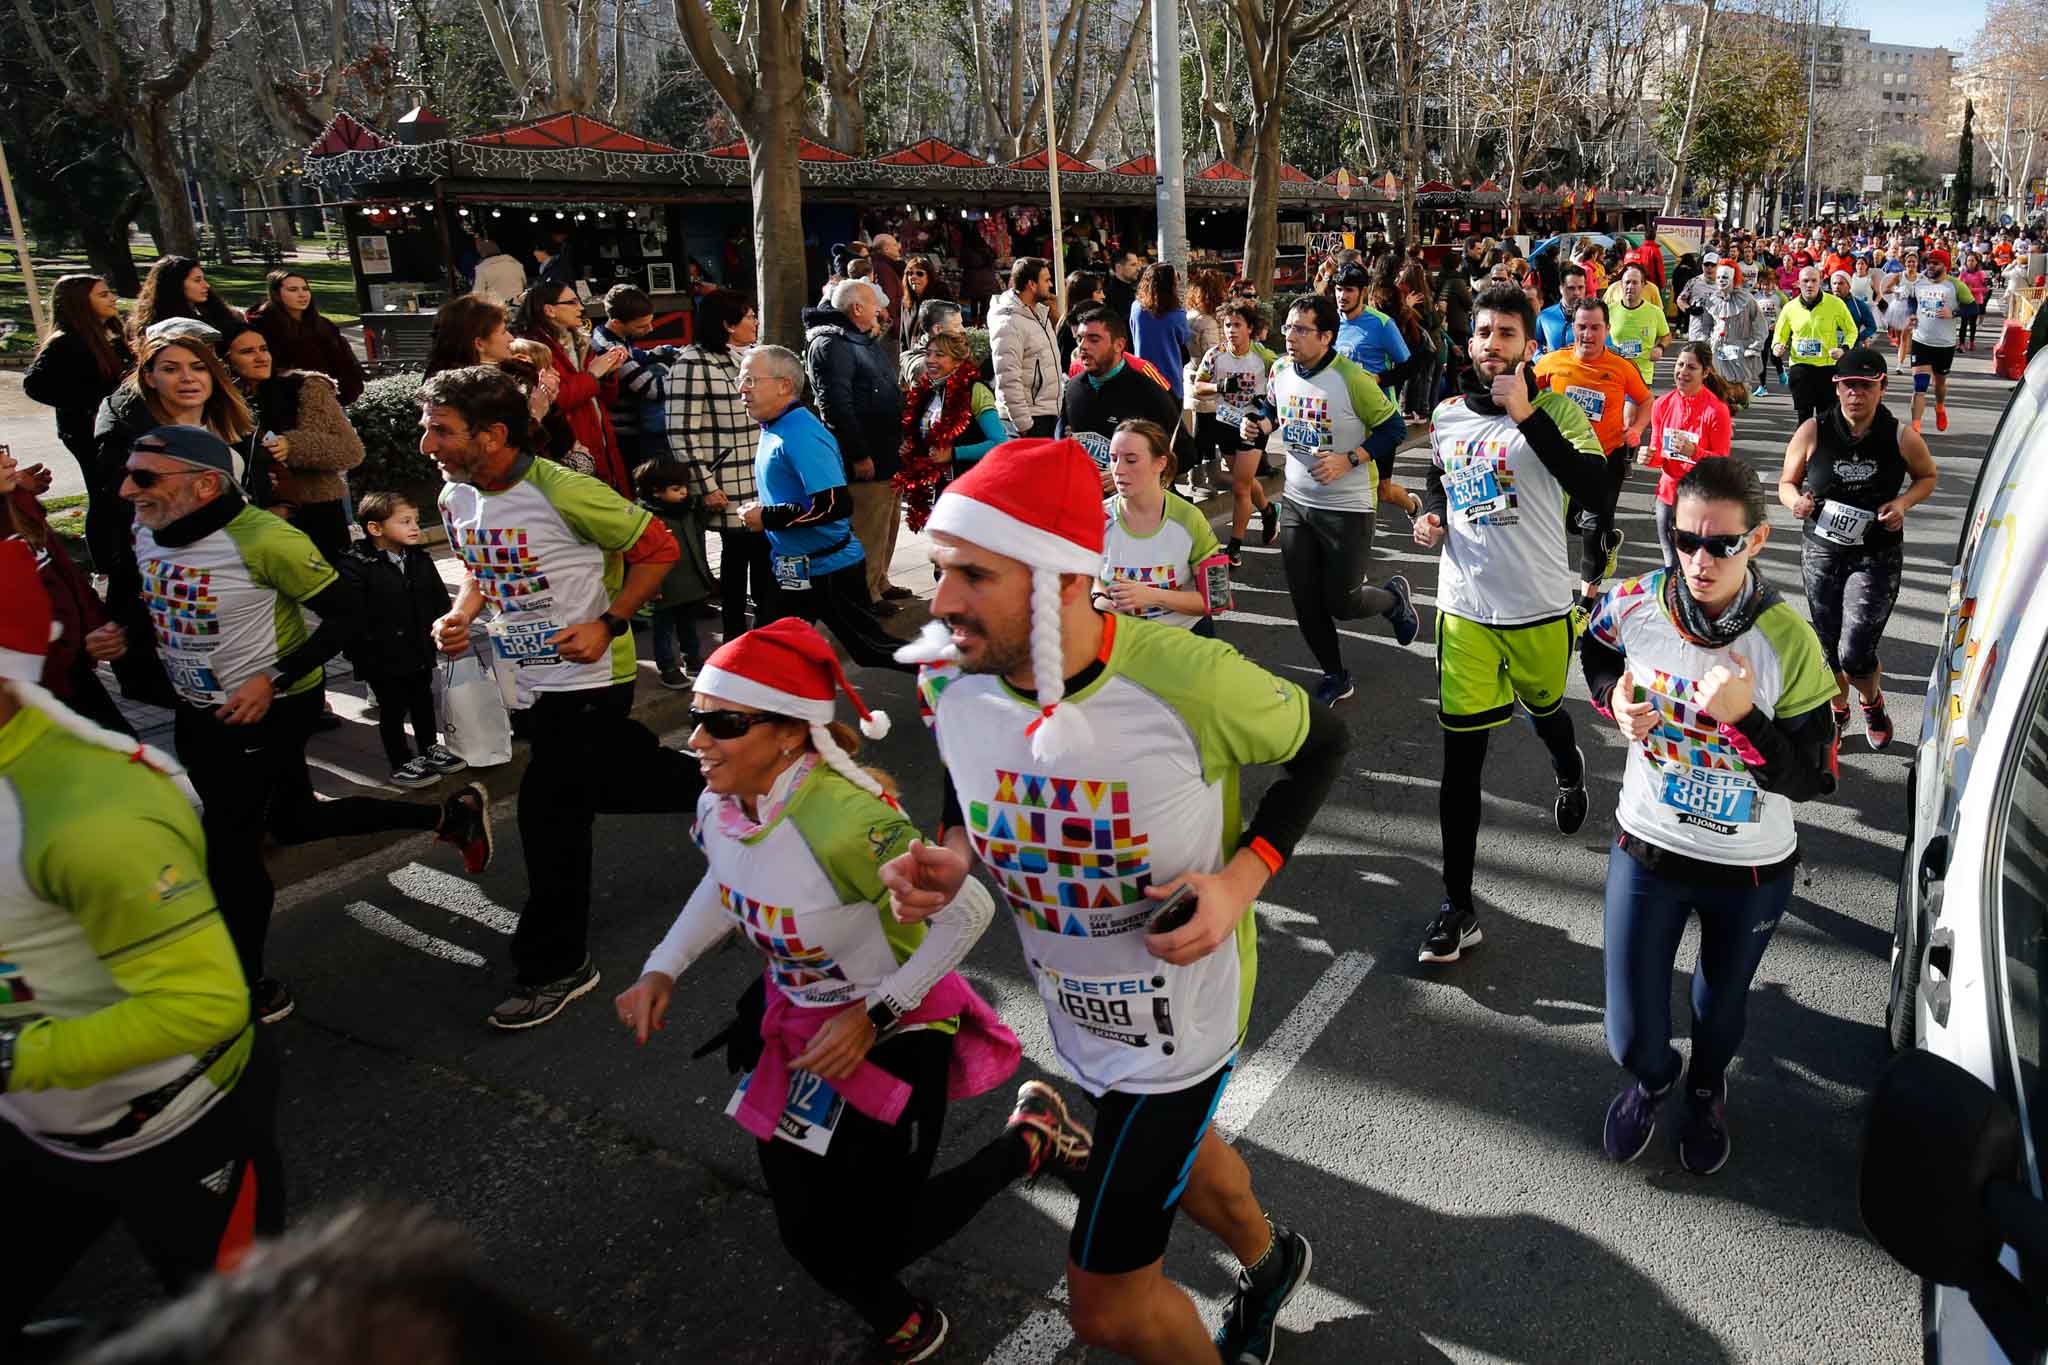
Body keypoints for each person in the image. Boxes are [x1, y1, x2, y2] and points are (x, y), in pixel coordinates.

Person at [884, 437, 1348, 1365]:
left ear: (1061, 582)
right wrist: (955, 852)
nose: (938, 603)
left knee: (1106, 1307)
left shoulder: (1186, 677)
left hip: (1186, 1020)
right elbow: (973, 774)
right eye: (940, 572)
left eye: (973, 575)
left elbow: (1322, 743)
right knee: (1183, 1161)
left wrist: (1240, 878)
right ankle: (1271, 1258)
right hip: (1077, 1009)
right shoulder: (950, 674)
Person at [615, 618, 1078, 1362]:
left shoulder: (846, 821)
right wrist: (663, 964)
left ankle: (1030, 1142)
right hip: (795, 1021)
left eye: (723, 722)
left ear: (792, 734)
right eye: (695, 718)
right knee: (804, 1222)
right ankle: (896, 1310)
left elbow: (970, 910)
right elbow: (726, 877)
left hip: (895, 1023)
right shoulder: (722, 801)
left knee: (881, 1231)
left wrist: (874, 1014)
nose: (696, 740)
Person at [0, 542, 285, 1347]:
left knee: (243, 1338)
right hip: (39, 1125)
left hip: (178, 1125)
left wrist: (13, 1055)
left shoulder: (90, 811)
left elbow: (201, 1003)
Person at [123, 425, 488, 1022]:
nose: (125, 490)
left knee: (233, 844)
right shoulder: (146, 525)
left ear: (206, 484)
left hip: (267, 708)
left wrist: (272, 677)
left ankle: (245, 986)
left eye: (143, 478)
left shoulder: (264, 539)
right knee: (294, 820)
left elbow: (346, 617)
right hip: (198, 709)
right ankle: (451, 815)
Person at [1582, 458, 1841, 1175]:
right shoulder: (1635, 599)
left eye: (1721, 544)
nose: (1699, 559)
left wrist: (1747, 719)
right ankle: (1656, 1077)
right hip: (1648, 846)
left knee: (1720, 1010)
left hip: (1748, 868)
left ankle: (1704, 1087)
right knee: (1629, 1035)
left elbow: (1814, 777)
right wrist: (1615, 699)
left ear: (1755, 542)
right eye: (1683, 538)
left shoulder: (1788, 639)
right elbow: (1597, 647)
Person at [421, 365, 699, 1031]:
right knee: (620, 776)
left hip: (590, 678)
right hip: (527, 678)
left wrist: (609, 622)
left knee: (552, 814)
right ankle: (746, 787)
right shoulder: (456, 496)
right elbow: (482, 569)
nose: (427, 444)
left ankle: (556, 965)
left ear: (492, 435)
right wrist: (461, 612)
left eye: (441, 430)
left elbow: (657, 547)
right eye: (426, 428)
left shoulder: (564, 490)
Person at [1414, 283, 1608, 965]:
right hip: (1464, 609)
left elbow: (1597, 492)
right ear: (1468, 343)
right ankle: (1457, 906)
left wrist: (1528, 418)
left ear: (1531, 346)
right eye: (1483, 332)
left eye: (1506, 334)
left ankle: (1567, 761)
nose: (1492, 345)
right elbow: (1441, 475)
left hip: (1539, 607)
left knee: (1546, 708)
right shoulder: (1444, 414)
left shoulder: (1558, 409)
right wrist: (1432, 512)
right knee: (1460, 766)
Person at [1239, 292, 1419, 708]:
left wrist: (1350, 459)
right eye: (1287, 327)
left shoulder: (1351, 379)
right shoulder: (1282, 369)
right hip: (1298, 501)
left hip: (1347, 506)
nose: (1290, 336)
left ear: (1326, 337)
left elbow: (1393, 429)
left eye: (1301, 329)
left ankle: (1393, 599)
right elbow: (1274, 408)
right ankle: (1335, 674)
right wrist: (1259, 425)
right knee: (1304, 598)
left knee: (1343, 601)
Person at [1775, 347, 1938, 751]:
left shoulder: (1900, 435)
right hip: (1823, 549)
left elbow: (1927, 476)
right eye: (1848, 385)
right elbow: (1785, 483)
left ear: (1881, 387)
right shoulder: (1813, 431)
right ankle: (1838, 709)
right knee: (1829, 647)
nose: (1856, 394)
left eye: (1865, 386)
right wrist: (1794, 502)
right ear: (1837, 387)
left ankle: (1871, 701)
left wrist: (1901, 504)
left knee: (1855, 650)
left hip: (1876, 552)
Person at [736, 346, 912, 671]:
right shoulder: (774, 427)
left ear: (784, 385)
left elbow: (833, 504)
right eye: (740, 379)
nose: (741, 388)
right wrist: (767, 508)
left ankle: (953, 676)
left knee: (871, 649)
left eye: (750, 380)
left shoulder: (802, 434)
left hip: (830, 572)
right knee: (767, 652)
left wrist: (767, 517)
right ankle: (780, 718)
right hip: (791, 570)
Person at [336, 491, 464, 788]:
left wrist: (445, 627)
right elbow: (351, 616)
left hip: (418, 645)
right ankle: (401, 760)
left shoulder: (418, 558)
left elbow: (437, 599)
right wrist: (362, 652)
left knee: (422, 698)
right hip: (380, 654)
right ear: (375, 528)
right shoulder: (356, 565)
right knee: (393, 707)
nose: (415, 528)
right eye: (405, 521)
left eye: (416, 521)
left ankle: (430, 746)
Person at [667, 289, 773, 644]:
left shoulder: (752, 356)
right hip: (725, 484)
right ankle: (735, 638)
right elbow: (681, 432)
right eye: (748, 316)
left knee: (764, 562)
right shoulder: (692, 362)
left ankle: (766, 634)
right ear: (728, 325)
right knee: (737, 562)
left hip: (760, 478)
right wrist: (705, 484)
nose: (755, 321)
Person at [1, 445, 130, 736]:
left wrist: (95, 627)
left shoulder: (16, 504)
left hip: (70, 676)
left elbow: (64, 575)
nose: (10, 460)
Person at [1533, 296, 1651, 610]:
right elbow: (1526, 393)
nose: (1587, 334)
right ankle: (1610, 540)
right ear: (1572, 328)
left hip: (1606, 458)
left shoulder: (1621, 367)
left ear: (1607, 329)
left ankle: (1587, 601)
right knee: (1571, 523)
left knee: (1592, 530)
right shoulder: (1553, 362)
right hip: (1564, 458)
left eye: (1595, 328)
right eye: (1581, 327)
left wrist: (1636, 429)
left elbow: (1646, 401)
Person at [220, 325, 366, 563]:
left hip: (316, 512)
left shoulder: (305, 388)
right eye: (247, 351)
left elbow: (351, 450)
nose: (260, 357)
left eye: (263, 349)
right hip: (254, 515)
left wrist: (293, 445)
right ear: (225, 360)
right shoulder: (218, 402)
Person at [803, 280, 907, 613]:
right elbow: (837, 405)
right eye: (874, 305)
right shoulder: (832, 344)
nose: (881, 311)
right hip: (867, 454)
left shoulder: (858, 338)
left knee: (887, 521)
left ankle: (879, 580)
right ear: (856, 308)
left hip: (886, 450)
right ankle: (865, 592)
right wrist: (859, 453)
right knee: (868, 523)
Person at [24, 274, 134, 579]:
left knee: (123, 493)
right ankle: (106, 567)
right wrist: (90, 402)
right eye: (102, 295)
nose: (111, 298)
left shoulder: (110, 334)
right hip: (86, 431)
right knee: (103, 496)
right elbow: (35, 385)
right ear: (79, 304)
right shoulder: (66, 342)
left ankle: (125, 554)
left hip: (117, 426)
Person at [1094, 419, 1226, 636]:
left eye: (1131, 460)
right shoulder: (1097, 516)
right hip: (1120, 644)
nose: (1118, 470)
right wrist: (1098, 598)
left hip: (1184, 643)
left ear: (1160, 463)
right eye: (1113, 459)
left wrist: (1152, 596)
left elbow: (1217, 598)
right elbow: (1087, 576)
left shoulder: (1189, 518)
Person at [512, 279, 632, 498]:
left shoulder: (581, 342)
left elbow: (608, 398)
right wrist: (593, 374)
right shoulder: (534, 350)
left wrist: (609, 371)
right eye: (573, 302)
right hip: (571, 447)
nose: (581, 308)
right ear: (549, 310)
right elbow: (556, 401)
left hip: (601, 441)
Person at [1190, 299, 1278, 566]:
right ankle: (1268, 509)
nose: (1231, 330)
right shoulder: (1215, 355)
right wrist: (1220, 387)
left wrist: (1267, 407)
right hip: (1225, 422)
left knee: (1240, 486)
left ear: (1250, 328)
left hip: (1252, 424)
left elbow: (1282, 383)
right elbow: (1197, 387)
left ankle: (1234, 547)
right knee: (1246, 481)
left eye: (1237, 325)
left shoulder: (1264, 357)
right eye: (1227, 325)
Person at [1058, 306, 1183, 493]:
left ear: (1119, 345)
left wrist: (1130, 473)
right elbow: (1062, 435)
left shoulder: (1147, 391)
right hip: (1086, 503)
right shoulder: (1073, 388)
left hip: (1136, 510)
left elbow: (1184, 453)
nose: (1083, 346)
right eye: (1080, 339)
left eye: (1094, 339)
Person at [897, 331, 1007, 538]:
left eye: (939, 355)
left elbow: (999, 442)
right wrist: (912, 448)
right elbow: (926, 439)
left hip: (972, 490)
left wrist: (955, 453)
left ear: (958, 361)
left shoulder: (976, 391)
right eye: (928, 354)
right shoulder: (927, 392)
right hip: (941, 491)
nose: (930, 360)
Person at [1642, 341, 1736, 567]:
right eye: (1680, 364)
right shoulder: (1662, 404)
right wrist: (1649, 456)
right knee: (1671, 564)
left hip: (1700, 499)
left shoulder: (1716, 411)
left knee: (1695, 566)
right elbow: (1659, 456)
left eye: (1691, 367)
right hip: (1668, 495)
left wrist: (1695, 452)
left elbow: (1721, 463)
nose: (1683, 372)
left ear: (1705, 373)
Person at [633, 458, 711, 689]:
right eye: (676, 489)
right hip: (662, 584)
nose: (684, 493)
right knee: (663, 629)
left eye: (684, 487)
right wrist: (650, 585)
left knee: (688, 623)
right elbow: (640, 555)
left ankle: (693, 659)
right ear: (656, 492)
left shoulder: (686, 509)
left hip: (688, 579)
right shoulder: (645, 518)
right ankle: (668, 666)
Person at [246, 270, 366, 406]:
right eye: (293, 290)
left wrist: (350, 388)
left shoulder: (323, 325)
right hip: (287, 404)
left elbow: (345, 361)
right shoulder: (262, 326)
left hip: (332, 400)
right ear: (276, 294)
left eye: (305, 289)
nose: (302, 294)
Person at [590, 285, 680, 464]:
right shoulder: (609, 348)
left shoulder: (617, 336)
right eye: (641, 326)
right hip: (625, 432)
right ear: (617, 323)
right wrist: (688, 378)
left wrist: (671, 352)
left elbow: (641, 357)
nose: (650, 329)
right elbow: (650, 388)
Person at [1770, 267, 1858, 428]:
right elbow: (1779, 334)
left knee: (1826, 417)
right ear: (1798, 284)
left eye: (1813, 281)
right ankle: (1804, 450)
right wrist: (1777, 346)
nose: (1809, 285)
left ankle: (1825, 450)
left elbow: (1851, 331)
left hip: (1827, 367)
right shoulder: (1790, 308)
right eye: (1805, 281)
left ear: (1821, 283)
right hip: (1800, 367)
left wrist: (1844, 349)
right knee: (1804, 416)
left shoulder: (1835, 304)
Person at [988, 257, 1063, 439]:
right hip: (1030, 419)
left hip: (1046, 414)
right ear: (1032, 284)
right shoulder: (1009, 322)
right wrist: (1024, 424)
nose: (1051, 284)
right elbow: (1008, 377)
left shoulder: (1039, 312)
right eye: (1046, 280)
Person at [1903, 249, 1970, 434]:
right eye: (1928, 262)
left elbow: (1973, 308)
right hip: (1921, 341)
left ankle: (1940, 406)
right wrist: (1911, 315)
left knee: (1939, 384)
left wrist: (1954, 313)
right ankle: (1915, 428)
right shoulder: (1919, 283)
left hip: (1944, 344)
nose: (1930, 266)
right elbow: (1912, 301)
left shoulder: (1955, 286)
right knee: (1920, 386)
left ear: (1945, 266)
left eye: (1935, 263)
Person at [128, 256, 242, 347]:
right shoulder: (159, 329)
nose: (206, 285)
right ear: (175, 284)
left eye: (203, 279)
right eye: (197, 280)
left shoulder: (219, 315)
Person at [1331, 262, 1412, 384]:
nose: (1342, 296)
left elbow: (1407, 367)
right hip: (1342, 400)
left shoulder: (1382, 323)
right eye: (1339, 289)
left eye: (1349, 290)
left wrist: (1378, 379)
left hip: (1377, 400)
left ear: (1363, 292)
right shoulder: (1331, 320)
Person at [1129, 263, 1192, 403]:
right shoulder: (1177, 315)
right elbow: (1184, 339)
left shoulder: (1136, 308)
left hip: (1143, 377)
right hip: (1170, 381)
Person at [1607, 264, 1671, 387]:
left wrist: (1660, 348)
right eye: (1627, 282)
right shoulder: (1609, 311)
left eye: (1635, 283)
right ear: (1621, 285)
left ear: (1643, 285)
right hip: (1614, 374)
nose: (1630, 287)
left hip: (1642, 376)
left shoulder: (1655, 312)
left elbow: (1666, 336)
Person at [424, 294, 517, 377]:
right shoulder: (488, 390)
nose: (511, 338)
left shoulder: (439, 383)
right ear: (479, 344)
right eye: (504, 332)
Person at [899, 297, 965, 388]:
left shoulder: (955, 349)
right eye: (956, 325)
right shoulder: (921, 365)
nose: (962, 330)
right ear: (937, 329)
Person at [897, 253, 950, 355]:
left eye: (919, 273)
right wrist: (903, 359)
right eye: (910, 273)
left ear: (929, 277)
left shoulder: (941, 297)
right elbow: (903, 337)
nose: (913, 277)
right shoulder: (907, 301)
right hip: (912, 359)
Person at [471, 237, 528, 306]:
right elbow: (525, 284)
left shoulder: (482, 269)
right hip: (519, 307)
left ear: (482, 253)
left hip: (498, 310)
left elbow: (477, 295)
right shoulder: (516, 264)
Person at [1830, 270, 1878, 351]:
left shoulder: (1859, 305)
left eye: (1841, 283)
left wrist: (1859, 337)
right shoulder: (1825, 304)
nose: (1837, 286)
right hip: (1829, 348)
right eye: (1834, 283)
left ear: (1849, 286)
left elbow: (1872, 327)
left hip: (1851, 348)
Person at [1958, 251, 1991, 351]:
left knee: (1972, 323)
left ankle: (1971, 342)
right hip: (1965, 301)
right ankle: (1961, 343)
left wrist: (1972, 290)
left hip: (1976, 302)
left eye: (1972, 260)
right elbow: (1959, 286)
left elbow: (1985, 289)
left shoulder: (1980, 274)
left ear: (1977, 262)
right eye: (1968, 260)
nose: (1970, 262)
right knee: (1963, 323)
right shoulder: (1963, 274)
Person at [1102, 247, 1143, 322]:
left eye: (1137, 264)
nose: (1138, 268)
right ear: (1119, 267)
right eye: (1133, 265)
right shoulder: (1110, 294)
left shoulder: (1134, 289)